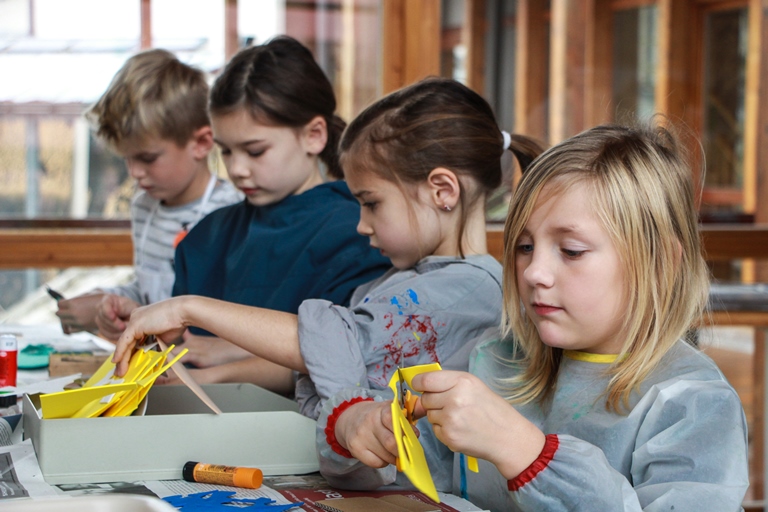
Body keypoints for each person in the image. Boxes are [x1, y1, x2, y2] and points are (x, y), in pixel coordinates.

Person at [319, 122, 749, 511]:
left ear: (659, 262)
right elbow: (411, 470)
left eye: (571, 251)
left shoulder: (695, 406)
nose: (534, 272)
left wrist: (525, 451)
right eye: (524, 247)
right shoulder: (495, 358)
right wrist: (361, 429)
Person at [112, 76, 542, 439]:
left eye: (372, 203)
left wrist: (190, 308)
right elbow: (323, 364)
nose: (361, 225)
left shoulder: (464, 289)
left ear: (442, 191)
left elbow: (335, 346)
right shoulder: (407, 279)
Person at [129, 36, 391, 390]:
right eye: (226, 152)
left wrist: (224, 362)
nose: (236, 169)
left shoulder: (359, 233)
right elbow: (182, 350)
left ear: (314, 135)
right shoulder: (205, 239)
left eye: (255, 151)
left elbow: (351, 357)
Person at [54, 49, 242, 339]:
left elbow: (233, 319)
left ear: (202, 143)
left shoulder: (231, 213)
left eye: (148, 158)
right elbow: (146, 291)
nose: (135, 172)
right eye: (126, 159)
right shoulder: (144, 207)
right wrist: (106, 301)